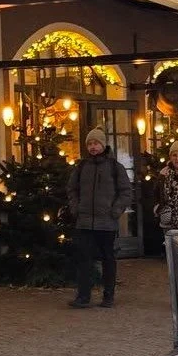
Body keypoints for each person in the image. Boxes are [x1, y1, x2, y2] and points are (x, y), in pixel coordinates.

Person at [67, 127, 134, 308]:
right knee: (84, 260)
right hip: (84, 222)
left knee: (108, 259)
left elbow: (126, 192)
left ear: (103, 145)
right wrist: (76, 207)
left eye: (96, 143)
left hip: (107, 222)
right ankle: (83, 297)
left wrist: (115, 210)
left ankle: (108, 296)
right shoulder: (81, 167)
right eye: (90, 144)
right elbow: (72, 189)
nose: (93, 147)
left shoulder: (115, 167)